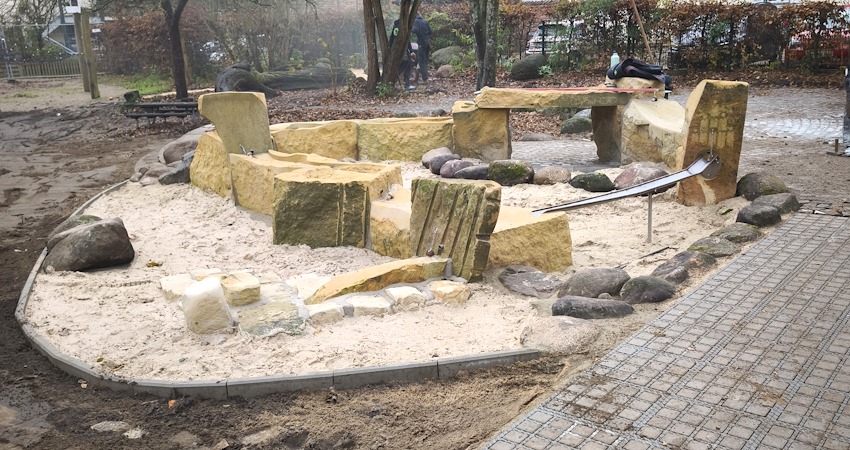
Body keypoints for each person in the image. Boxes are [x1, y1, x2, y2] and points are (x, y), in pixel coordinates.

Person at [388, 18, 415, 90]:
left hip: (397, 50)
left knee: (404, 65)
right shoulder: (401, 27)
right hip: (402, 50)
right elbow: (407, 40)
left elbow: (391, 39)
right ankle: (405, 84)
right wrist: (411, 50)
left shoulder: (396, 27)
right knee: (405, 65)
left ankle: (404, 83)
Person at [411, 13, 432, 85]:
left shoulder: (416, 21)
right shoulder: (425, 21)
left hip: (421, 43)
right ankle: (425, 77)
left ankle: (425, 79)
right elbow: (430, 31)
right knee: (425, 60)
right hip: (427, 43)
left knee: (421, 61)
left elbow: (414, 30)